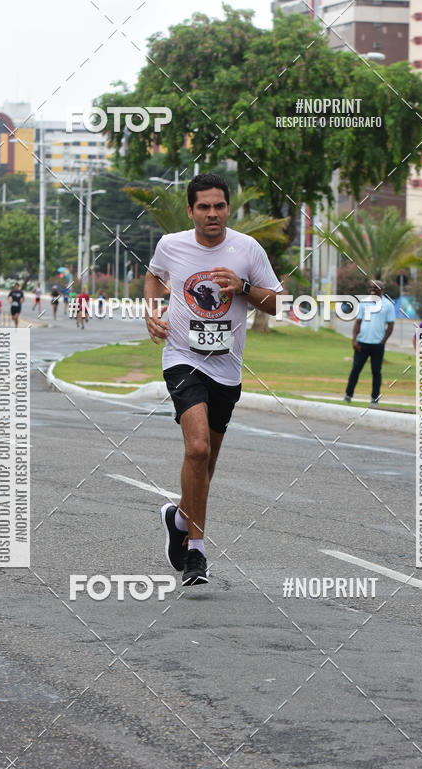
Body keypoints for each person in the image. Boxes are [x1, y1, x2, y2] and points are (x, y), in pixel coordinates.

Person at [145, 172, 283, 586]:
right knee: (198, 447)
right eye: (203, 206)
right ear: (190, 211)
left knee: (208, 463)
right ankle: (196, 555)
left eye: (219, 206)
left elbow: (275, 303)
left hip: (227, 368)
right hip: (183, 358)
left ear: (228, 209)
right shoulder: (172, 245)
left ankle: (180, 521)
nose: (212, 213)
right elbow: (154, 275)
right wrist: (151, 312)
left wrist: (242, 287)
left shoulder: (247, 249)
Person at [344, 280, 395, 406]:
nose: (373, 289)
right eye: (371, 287)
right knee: (356, 369)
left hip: (377, 345)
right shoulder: (363, 302)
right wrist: (354, 340)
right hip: (362, 343)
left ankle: (374, 398)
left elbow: (390, 325)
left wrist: (383, 341)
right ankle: (348, 395)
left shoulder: (388, 305)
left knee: (376, 371)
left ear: (382, 290)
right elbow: (358, 322)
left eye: (376, 287)